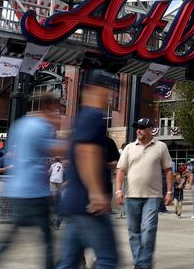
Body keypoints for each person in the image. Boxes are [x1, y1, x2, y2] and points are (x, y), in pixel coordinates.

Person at [0, 92, 66, 269]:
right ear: (49, 108)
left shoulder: (20, 125)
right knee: (47, 239)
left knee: (10, 238)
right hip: (34, 193)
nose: (58, 115)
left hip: (17, 190)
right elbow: (54, 150)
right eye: (57, 110)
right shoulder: (42, 127)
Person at [56, 70, 120, 269]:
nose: (111, 94)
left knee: (69, 262)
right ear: (94, 89)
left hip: (75, 203)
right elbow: (86, 153)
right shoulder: (94, 116)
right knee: (108, 259)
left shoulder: (82, 117)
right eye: (108, 88)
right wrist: (95, 193)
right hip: (88, 203)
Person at [115, 117, 173, 269]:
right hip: (131, 196)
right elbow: (121, 170)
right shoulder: (129, 148)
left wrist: (169, 191)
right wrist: (119, 190)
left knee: (148, 229)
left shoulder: (161, 147)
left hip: (153, 196)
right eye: (137, 127)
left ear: (150, 130)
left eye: (142, 127)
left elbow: (168, 170)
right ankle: (141, 262)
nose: (138, 130)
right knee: (134, 232)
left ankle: (142, 264)